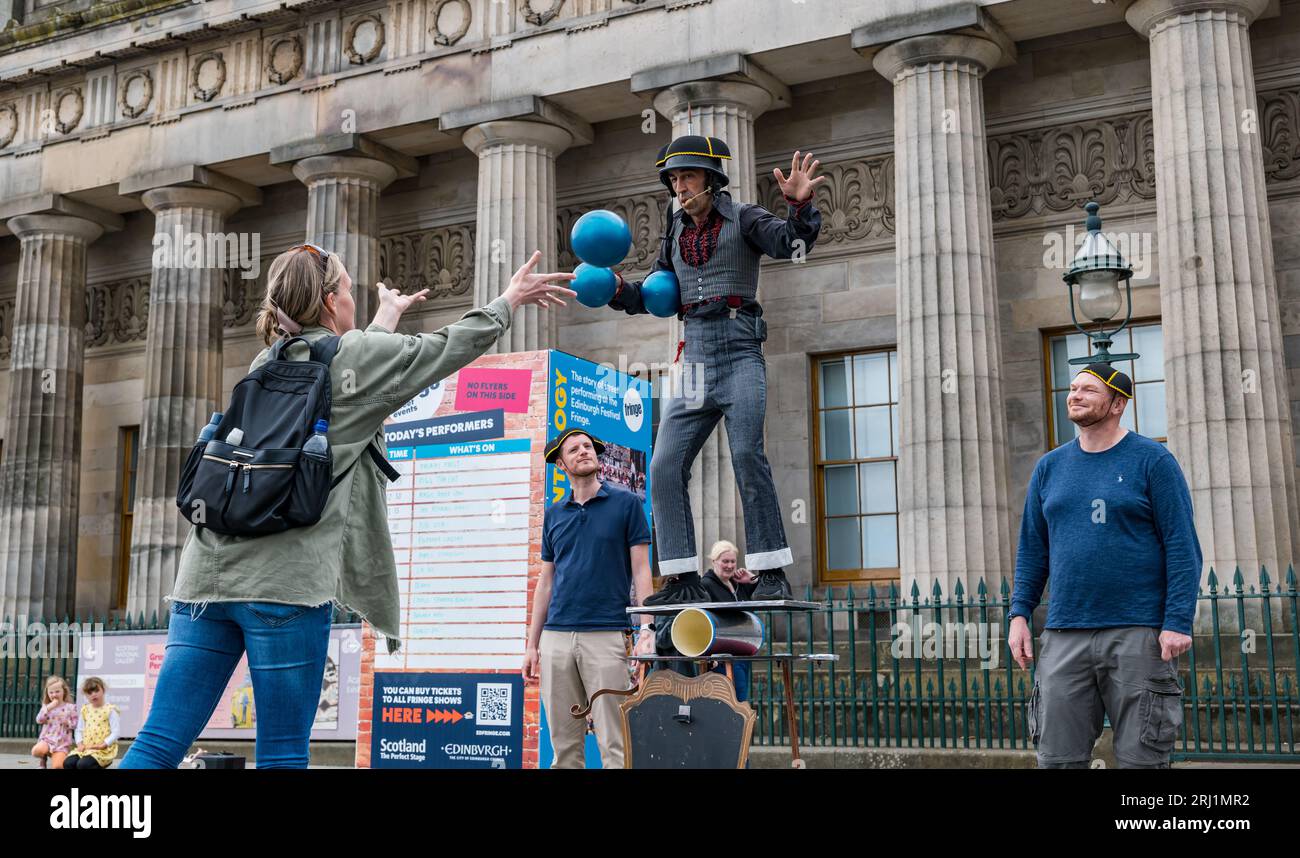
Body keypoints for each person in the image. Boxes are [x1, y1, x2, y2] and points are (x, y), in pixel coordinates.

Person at [120, 244, 576, 769]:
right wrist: (507, 299)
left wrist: (386, 316)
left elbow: (359, 375)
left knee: (158, 742)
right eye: (348, 290)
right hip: (284, 586)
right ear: (332, 300)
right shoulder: (355, 355)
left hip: (204, 578)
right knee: (283, 752)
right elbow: (439, 350)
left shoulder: (266, 360)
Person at [609, 136, 825, 604]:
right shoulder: (672, 232)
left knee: (747, 453)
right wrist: (615, 288)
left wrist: (799, 203)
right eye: (673, 179)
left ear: (711, 179)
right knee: (664, 464)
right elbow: (653, 296)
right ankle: (683, 578)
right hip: (693, 356)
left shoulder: (745, 217)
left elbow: (794, 243)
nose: (679, 186)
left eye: (687, 176)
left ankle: (770, 572)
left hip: (741, 348)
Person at [1008, 363, 1202, 769]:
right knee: (1057, 759)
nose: (1074, 395)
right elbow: (1032, 549)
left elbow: (1182, 547)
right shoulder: (1049, 467)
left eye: (1088, 390)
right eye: (1073, 388)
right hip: (1064, 633)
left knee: (1142, 761)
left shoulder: (1153, 461)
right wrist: (1019, 614)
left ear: (1117, 403)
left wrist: (1178, 621)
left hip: (1139, 632)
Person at [522, 429, 654, 768]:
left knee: (616, 745)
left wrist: (647, 631)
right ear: (562, 463)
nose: (584, 451)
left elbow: (641, 572)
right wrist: (532, 645)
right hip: (556, 638)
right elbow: (546, 582)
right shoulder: (554, 514)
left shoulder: (627, 504)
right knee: (564, 748)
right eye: (574, 449)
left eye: (588, 447)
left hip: (607, 635)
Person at [699, 540, 757, 702]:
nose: (730, 566)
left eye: (733, 561)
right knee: (732, 701)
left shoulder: (738, 583)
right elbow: (704, 622)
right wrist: (710, 656)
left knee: (740, 699)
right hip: (722, 656)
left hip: (742, 653)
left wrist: (752, 580)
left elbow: (761, 597)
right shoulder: (706, 585)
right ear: (714, 561)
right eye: (725, 561)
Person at [64, 677, 119, 770]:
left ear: (103, 690)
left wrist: (104, 744)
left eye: (96, 691)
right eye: (89, 693)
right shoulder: (85, 709)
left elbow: (116, 732)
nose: (93, 695)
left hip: (102, 750)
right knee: (68, 763)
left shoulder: (110, 710)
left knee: (83, 765)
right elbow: (79, 729)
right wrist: (79, 743)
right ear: (86, 695)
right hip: (86, 748)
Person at [32, 675, 77, 770]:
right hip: (47, 740)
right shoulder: (47, 707)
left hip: (62, 743)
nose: (54, 694)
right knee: (36, 751)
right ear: (47, 693)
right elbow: (39, 720)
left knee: (58, 766)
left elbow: (75, 724)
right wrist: (48, 708)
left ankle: (55, 755)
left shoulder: (71, 707)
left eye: (57, 691)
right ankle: (43, 757)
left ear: (64, 691)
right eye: (51, 692)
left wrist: (67, 722)